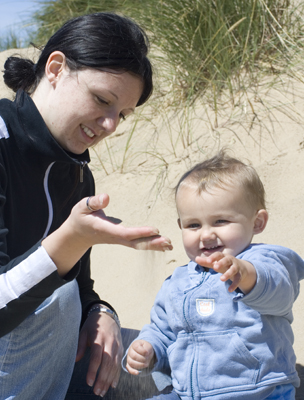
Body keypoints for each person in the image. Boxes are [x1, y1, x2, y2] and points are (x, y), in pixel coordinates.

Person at [0, 12, 173, 400]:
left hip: (49, 354)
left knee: (166, 368)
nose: (110, 124)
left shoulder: (78, 174)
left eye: (122, 114)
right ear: (57, 68)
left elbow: (81, 288)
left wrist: (102, 313)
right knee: (59, 301)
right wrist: (70, 240)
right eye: (102, 100)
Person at [125, 150, 304, 400]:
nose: (206, 235)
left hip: (257, 390)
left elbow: (279, 292)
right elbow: (163, 331)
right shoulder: (177, 283)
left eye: (220, 221)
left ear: (257, 222)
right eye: (193, 225)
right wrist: (149, 348)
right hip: (189, 393)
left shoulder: (263, 260)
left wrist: (246, 274)